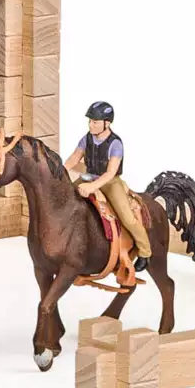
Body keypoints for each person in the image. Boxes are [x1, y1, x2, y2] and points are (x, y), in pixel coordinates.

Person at [65, 101, 150, 269]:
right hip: (88, 177)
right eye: (90, 121)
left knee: (127, 217)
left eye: (95, 122)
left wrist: (92, 187)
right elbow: (75, 157)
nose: (91, 125)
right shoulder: (87, 138)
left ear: (107, 123)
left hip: (109, 182)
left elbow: (111, 172)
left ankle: (145, 251)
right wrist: (61, 170)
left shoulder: (115, 143)